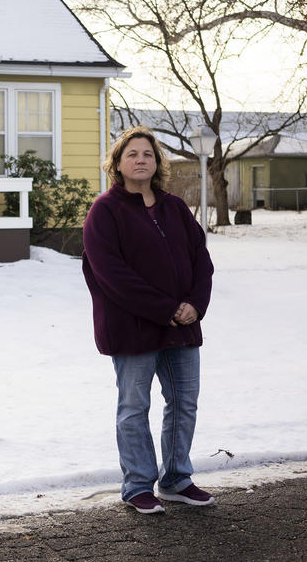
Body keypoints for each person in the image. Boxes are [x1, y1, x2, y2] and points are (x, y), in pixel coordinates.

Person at [82, 126, 215, 514]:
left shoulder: (174, 207)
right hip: (134, 329)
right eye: (132, 154)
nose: (141, 160)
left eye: (148, 154)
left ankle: (176, 478)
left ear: (157, 163)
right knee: (134, 408)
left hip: (182, 328)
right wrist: (166, 309)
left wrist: (194, 304)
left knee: (183, 403)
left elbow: (201, 262)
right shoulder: (104, 211)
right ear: (118, 164)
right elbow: (112, 275)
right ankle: (138, 484)